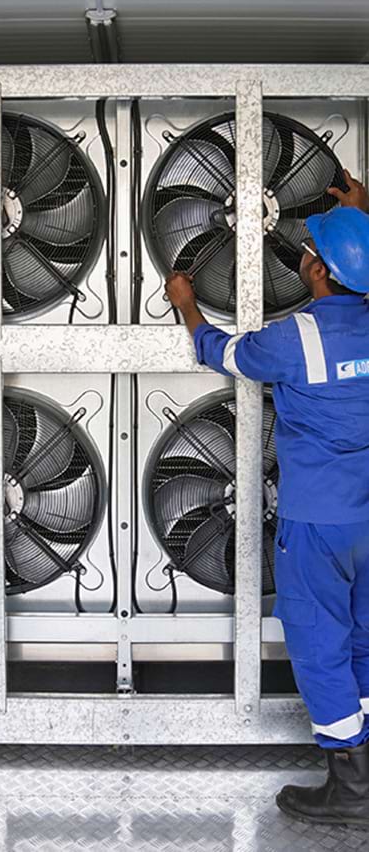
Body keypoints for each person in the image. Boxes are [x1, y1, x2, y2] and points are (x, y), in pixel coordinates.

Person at [164, 170, 369, 827]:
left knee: (320, 644)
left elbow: (221, 352)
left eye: (311, 250)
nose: (302, 255)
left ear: (319, 272)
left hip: (318, 527)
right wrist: (359, 220)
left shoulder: (292, 339)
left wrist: (186, 304)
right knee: (364, 640)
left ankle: (352, 788)